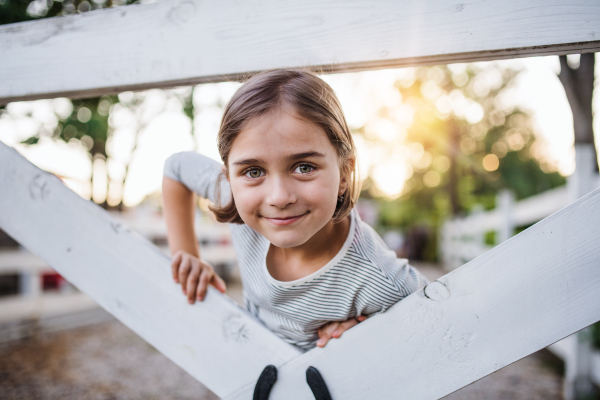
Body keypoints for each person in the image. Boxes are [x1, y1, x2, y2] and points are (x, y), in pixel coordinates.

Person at [162, 69, 428, 352]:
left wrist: (372, 331)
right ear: (228, 177)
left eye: (304, 167)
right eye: (253, 171)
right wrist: (185, 255)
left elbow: (434, 313)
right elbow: (176, 168)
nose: (278, 197)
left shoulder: (378, 277)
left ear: (343, 174)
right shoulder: (238, 202)